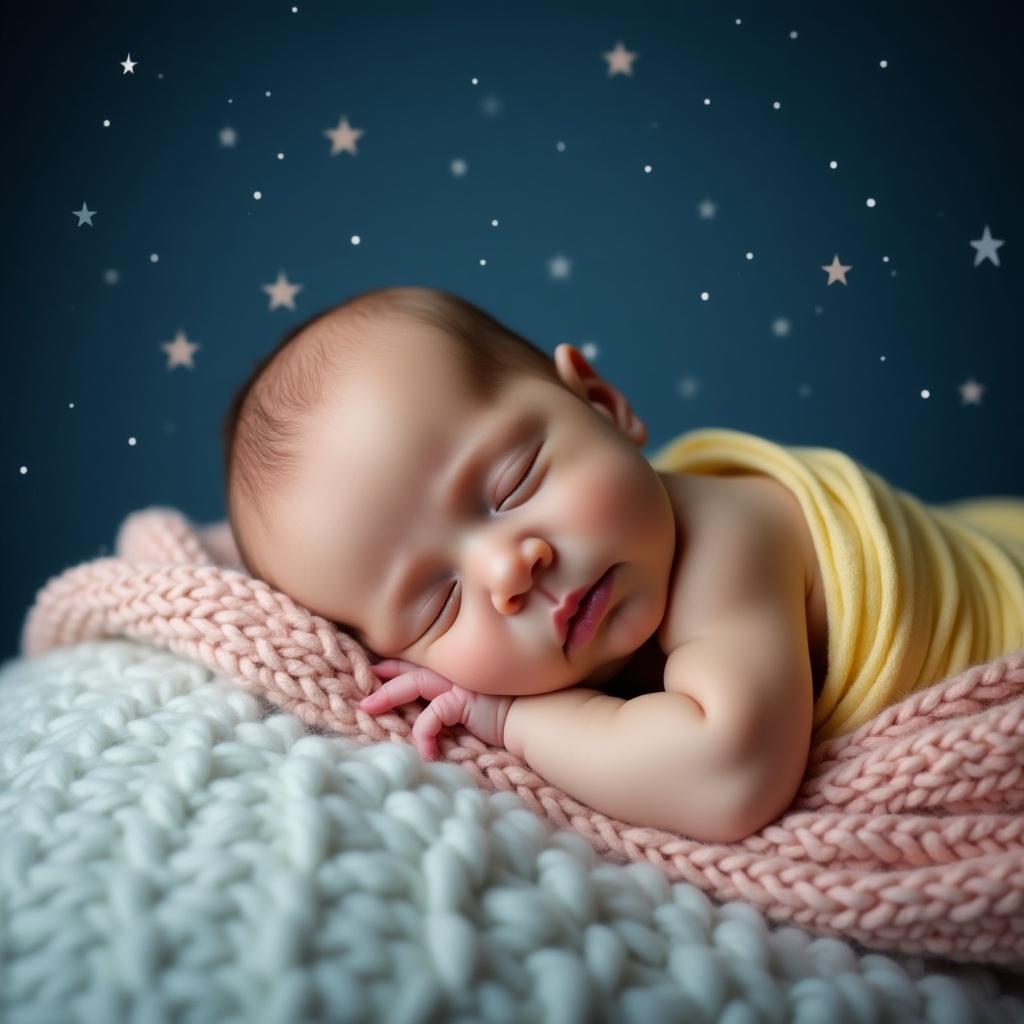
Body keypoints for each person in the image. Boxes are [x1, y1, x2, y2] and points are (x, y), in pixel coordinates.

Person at [222, 286, 1024, 842]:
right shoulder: (619, 556)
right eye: (438, 603)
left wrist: (510, 719)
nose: (511, 572)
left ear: (601, 404)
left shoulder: (730, 543)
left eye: (512, 485)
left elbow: (728, 772)